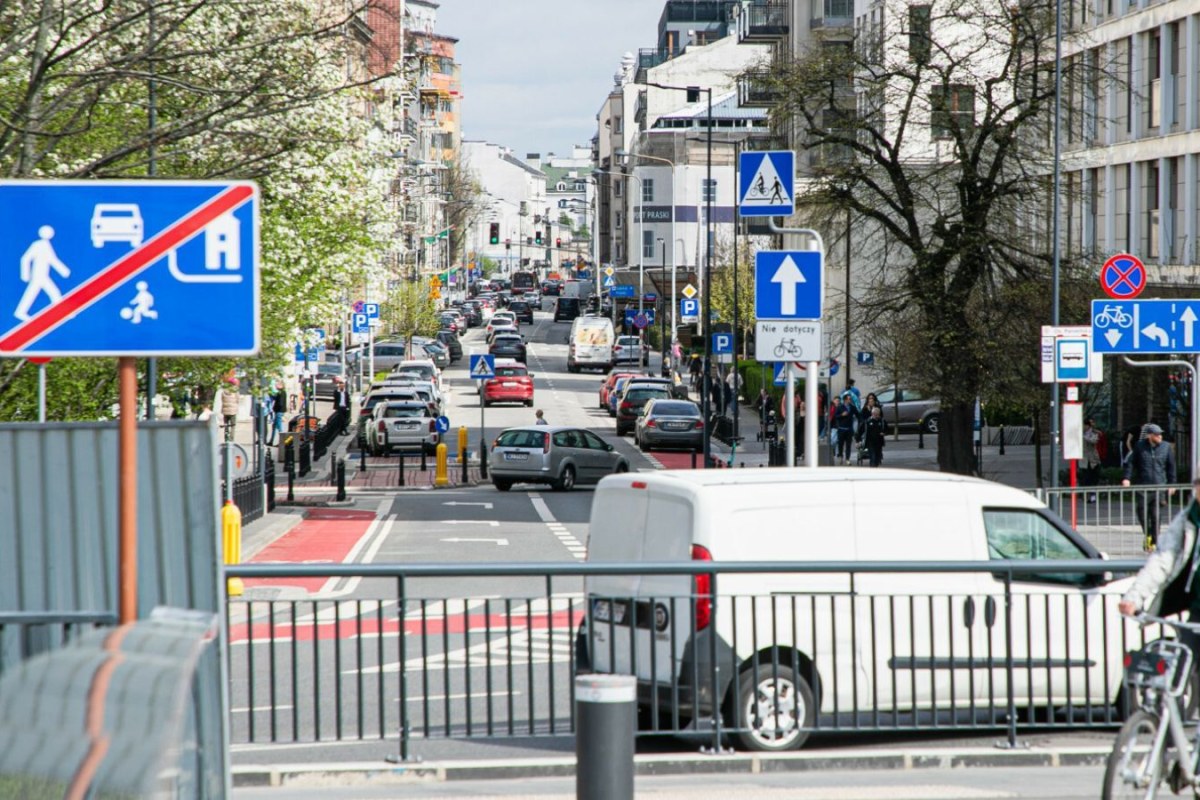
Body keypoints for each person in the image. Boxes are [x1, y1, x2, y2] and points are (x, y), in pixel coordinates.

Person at [1118, 476, 1200, 676]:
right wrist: (1134, 597)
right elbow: (1162, 559)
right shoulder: (1188, 518)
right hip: (1197, 610)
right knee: (1181, 671)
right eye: (1198, 482)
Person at [1123, 423, 1177, 552]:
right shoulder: (1139, 447)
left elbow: (1171, 467)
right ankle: (1147, 534)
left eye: (1160, 434)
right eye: (1157, 434)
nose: (1160, 436)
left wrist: (1172, 484)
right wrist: (1127, 478)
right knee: (1141, 511)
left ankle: (1154, 541)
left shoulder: (1166, 447)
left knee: (1155, 515)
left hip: (1159, 486)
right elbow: (1130, 464)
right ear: (1150, 436)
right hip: (1143, 485)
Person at [1082, 418, 1105, 503]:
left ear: (1087, 426)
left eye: (1084, 425)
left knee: (1093, 478)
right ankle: (1087, 495)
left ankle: (1092, 496)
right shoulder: (1080, 433)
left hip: (1093, 459)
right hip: (1084, 459)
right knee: (1086, 479)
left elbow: (1094, 441)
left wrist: (1084, 437)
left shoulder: (1094, 433)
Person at [834, 392, 855, 465]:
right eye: (849, 399)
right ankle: (840, 456)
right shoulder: (840, 407)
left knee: (848, 445)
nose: (850, 400)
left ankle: (847, 459)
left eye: (850, 399)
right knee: (840, 444)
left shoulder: (852, 407)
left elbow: (858, 414)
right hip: (841, 429)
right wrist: (842, 415)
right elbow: (836, 416)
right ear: (845, 400)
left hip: (849, 429)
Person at [220, 377, 239, 443]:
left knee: (226, 425)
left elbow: (222, 399)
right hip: (233, 411)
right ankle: (231, 440)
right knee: (233, 425)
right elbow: (237, 400)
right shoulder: (235, 391)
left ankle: (226, 439)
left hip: (225, 411)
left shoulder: (224, 391)